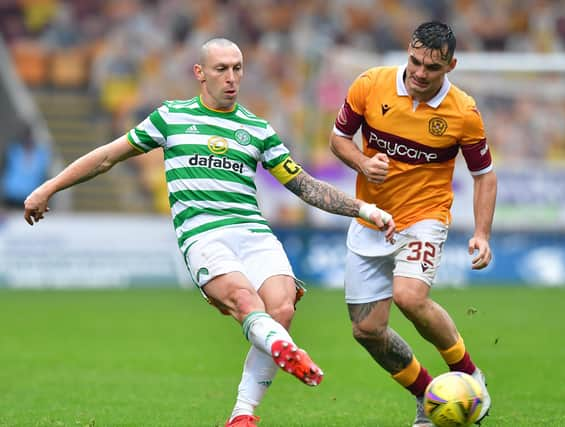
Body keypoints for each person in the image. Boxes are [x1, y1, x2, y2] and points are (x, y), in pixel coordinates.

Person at [24, 38, 396, 427]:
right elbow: (106, 157)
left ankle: (242, 415)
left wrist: (366, 210)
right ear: (199, 73)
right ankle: (283, 351)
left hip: (253, 234)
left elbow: (303, 185)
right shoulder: (171, 118)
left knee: (282, 307)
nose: (232, 77)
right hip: (204, 235)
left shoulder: (256, 128)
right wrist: (48, 188)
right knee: (244, 299)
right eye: (222, 69)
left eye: (237, 68)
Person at [329, 22, 497, 426]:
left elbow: (484, 174)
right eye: (416, 62)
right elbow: (338, 139)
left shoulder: (463, 113)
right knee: (367, 331)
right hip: (370, 218)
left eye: (433, 68)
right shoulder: (370, 85)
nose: (421, 73)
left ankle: (469, 374)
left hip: (424, 217)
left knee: (409, 297)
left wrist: (481, 233)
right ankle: (428, 396)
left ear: (451, 65)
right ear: (408, 51)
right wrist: (364, 163)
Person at [1, 124, 50, 210]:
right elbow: (5, 170)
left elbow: (43, 175)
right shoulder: (14, 151)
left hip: (31, 195)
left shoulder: (41, 154)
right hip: (11, 194)